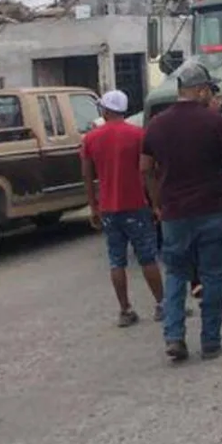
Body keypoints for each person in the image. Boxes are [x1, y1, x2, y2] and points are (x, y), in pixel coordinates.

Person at [142, 62, 222, 362]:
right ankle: (210, 340)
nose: (211, 94)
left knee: (175, 274)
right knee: (213, 275)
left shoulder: (157, 125)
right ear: (200, 90)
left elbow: (145, 168)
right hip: (213, 209)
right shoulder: (214, 121)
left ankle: (174, 337)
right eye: (210, 89)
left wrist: (157, 202)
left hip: (174, 213)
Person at [81, 90, 163, 328]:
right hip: (136, 205)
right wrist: (156, 204)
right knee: (147, 257)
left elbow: (87, 175)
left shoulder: (90, 139)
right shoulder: (138, 135)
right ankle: (161, 304)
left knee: (117, 260)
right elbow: (147, 171)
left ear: (105, 111)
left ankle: (125, 310)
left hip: (108, 208)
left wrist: (93, 206)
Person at [191, 86, 222, 300]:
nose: (220, 102)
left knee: (221, 238)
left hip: (217, 186)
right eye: (217, 98)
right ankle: (197, 280)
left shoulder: (220, 122)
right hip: (200, 191)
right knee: (200, 238)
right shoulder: (206, 123)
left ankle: (220, 274)